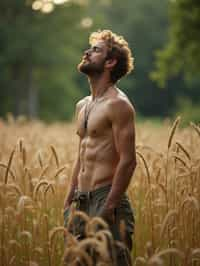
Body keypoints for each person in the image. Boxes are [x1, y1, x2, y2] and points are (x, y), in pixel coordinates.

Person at [63, 29, 137, 265]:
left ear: (110, 62)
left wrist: (110, 205)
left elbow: (128, 160)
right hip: (81, 200)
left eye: (95, 50)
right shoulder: (82, 105)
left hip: (106, 197)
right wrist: (70, 196)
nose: (86, 52)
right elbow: (81, 154)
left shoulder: (118, 105)